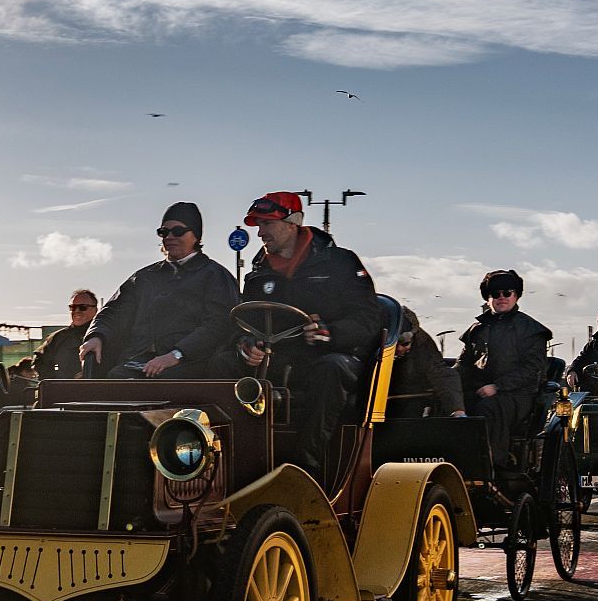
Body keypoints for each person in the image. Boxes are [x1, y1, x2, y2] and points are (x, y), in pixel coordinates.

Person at [229, 191, 382, 477]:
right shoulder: (258, 272)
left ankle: (305, 467)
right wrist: (246, 345)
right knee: (222, 363)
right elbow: (242, 324)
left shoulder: (341, 263)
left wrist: (330, 333)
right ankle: (227, 460)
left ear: (292, 223)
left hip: (334, 359)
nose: (260, 232)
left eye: (266, 224)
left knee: (331, 369)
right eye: (258, 224)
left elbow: (369, 321)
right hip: (279, 359)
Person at [79, 202, 239, 379]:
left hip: (193, 366)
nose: (170, 236)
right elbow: (113, 311)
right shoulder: (144, 277)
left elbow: (217, 325)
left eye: (178, 231)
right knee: (115, 380)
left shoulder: (215, 276)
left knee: (166, 382)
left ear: (196, 236)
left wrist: (177, 355)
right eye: (163, 232)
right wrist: (96, 336)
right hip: (136, 361)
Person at [456, 269, 552, 468]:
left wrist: (497, 387)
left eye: (507, 293)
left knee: (487, 409)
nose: (501, 298)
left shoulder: (531, 330)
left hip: (518, 396)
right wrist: (446, 383)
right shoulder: (477, 329)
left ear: (516, 295)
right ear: (488, 298)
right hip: (480, 391)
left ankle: (489, 467)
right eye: (495, 294)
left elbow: (532, 370)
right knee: (447, 406)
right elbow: (463, 365)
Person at [386, 306, 465, 419]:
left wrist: (457, 410)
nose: (398, 348)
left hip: (409, 399)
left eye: (405, 343)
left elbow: (441, 373)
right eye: (393, 344)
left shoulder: (422, 343)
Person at [35, 290, 97, 379]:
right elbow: (39, 362)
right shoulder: (58, 338)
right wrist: (56, 383)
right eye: (73, 307)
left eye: (83, 307)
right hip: (65, 391)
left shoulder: (107, 336)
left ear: (95, 309)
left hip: (100, 390)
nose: (77, 311)